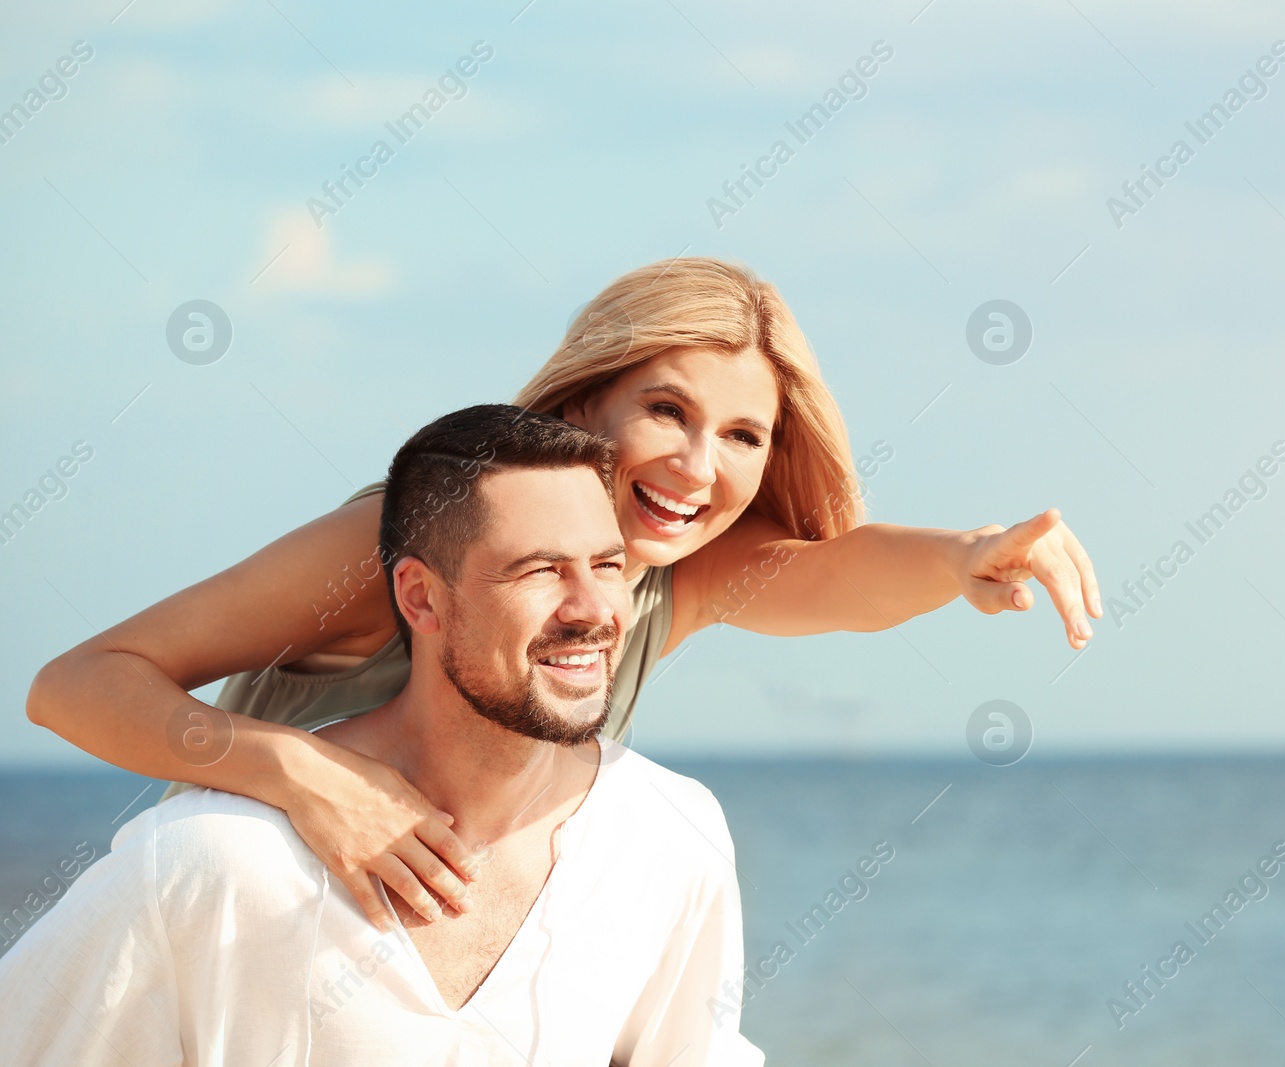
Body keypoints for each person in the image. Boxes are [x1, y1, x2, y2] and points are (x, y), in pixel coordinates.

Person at [26, 257, 1103, 931]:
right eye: (666, 409)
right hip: (217, 963)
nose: (697, 465)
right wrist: (309, 776)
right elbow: (76, 684)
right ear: (588, 396)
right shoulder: (404, 537)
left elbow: (837, 574)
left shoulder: (661, 580)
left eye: (742, 435)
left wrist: (972, 551)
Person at [0, 406, 763, 1066]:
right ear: (421, 598)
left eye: (608, 563)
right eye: (540, 570)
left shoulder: (671, 839)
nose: (594, 608)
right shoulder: (211, 861)